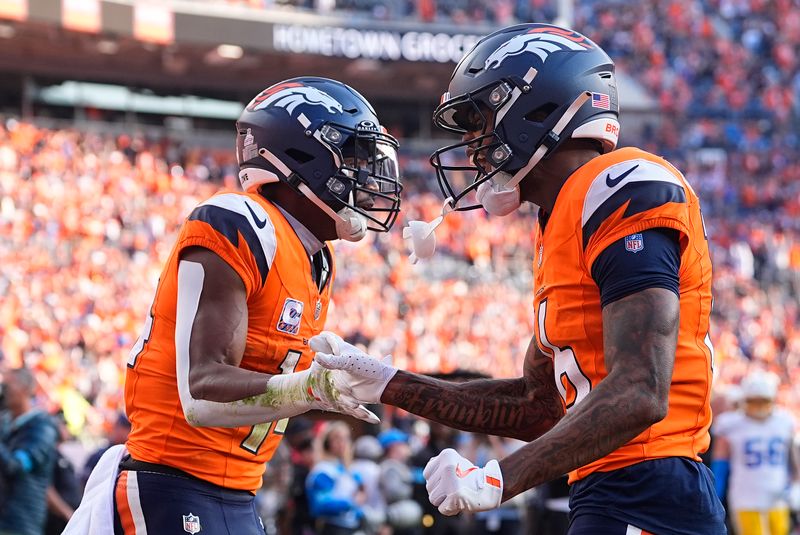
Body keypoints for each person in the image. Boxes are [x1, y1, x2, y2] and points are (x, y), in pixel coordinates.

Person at [309, 23, 726, 534]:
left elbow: (641, 390)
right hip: (611, 489)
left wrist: (497, 479)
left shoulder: (622, 185)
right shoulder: (560, 219)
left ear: (537, 110)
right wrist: (391, 384)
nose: (469, 143)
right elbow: (535, 406)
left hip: (652, 490)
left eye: (478, 120)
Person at [77, 77, 401, 535]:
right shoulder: (241, 222)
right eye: (351, 158)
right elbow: (202, 392)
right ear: (300, 158)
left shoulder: (315, 256)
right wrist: (313, 388)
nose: (365, 175)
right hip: (172, 480)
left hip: (239, 492)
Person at [712, 371, 799, 535]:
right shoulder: (730, 423)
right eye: (754, 402)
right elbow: (720, 462)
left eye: (763, 401)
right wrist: (716, 496)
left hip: (777, 497)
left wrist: (796, 484)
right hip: (746, 498)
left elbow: (793, 459)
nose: (759, 407)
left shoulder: (784, 421)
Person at [0, 367, 59, 535]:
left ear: (26, 389)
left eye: (7, 386)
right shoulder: (5, 422)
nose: (4, 391)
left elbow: (16, 467)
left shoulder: (42, 427)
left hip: (19, 523)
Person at [306, 421, 366, 535]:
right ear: (327, 442)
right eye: (337, 438)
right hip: (333, 528)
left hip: (351, 526)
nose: (342, 443)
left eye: (346, 438)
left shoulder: (347, 469)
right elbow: (320, 505)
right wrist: (351, 503)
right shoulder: (323, 470)